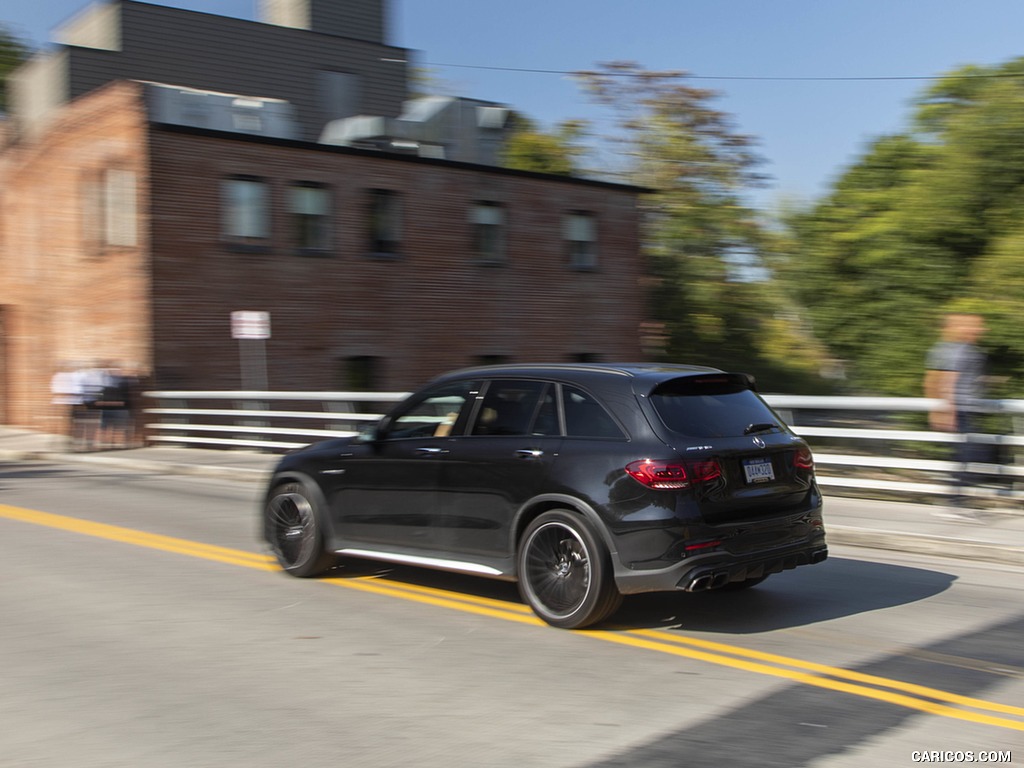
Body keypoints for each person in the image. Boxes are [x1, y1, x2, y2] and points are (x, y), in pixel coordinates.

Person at [924, 313, 989, 519]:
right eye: (976, 326)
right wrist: (947, 411)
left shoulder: (952, 348)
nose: (980, 330)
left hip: (965, 408)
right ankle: (955, 502)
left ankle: (956, 500)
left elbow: (932, 379)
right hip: (960, 410)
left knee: (966, 456)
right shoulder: (958, 349)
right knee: (968, 455)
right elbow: (947, 381)